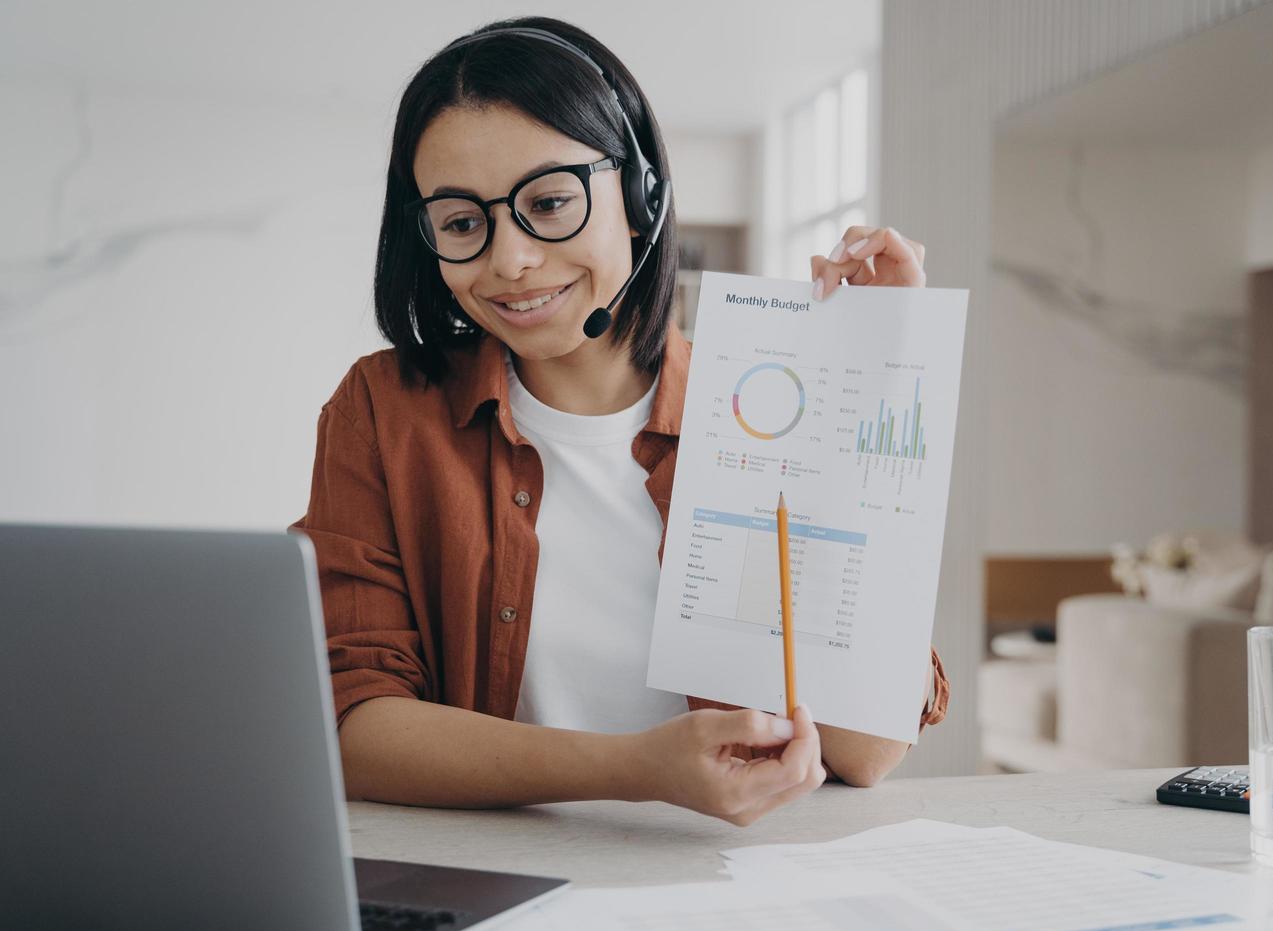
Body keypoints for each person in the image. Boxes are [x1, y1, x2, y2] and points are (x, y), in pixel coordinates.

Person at [290, 16, 949, 827]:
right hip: (502, 889)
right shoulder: (383, 413)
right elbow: (354, 727)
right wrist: (638, 769)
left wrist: (874, 380)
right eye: (463, 223)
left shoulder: (764, 408)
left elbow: (865, 748)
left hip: (743, 894)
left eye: (551, 203)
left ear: (642, 199)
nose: (510, 260)